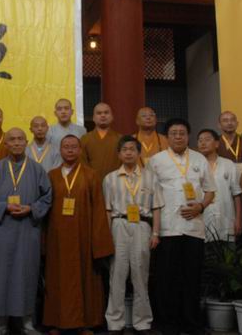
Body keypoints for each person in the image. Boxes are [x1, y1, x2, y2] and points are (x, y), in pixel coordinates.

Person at [144, 118, 215, 335]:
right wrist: (154, 228)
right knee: (167, 277)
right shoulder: (156, 161)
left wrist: (200, 206)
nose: (178, 136)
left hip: (194, 227)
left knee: (192, 277)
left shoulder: (199, 159)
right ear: (167, 136)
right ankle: (168, 323)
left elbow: (210, 190)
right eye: (173, 133)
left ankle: (192, 323)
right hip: (167, 227)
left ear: (188, 135)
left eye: (182, 133)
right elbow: (148, 194)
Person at [0, 128, 52, 335]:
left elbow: (47, 197)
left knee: (27, 273)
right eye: (12, 140)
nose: (16, 143)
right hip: (2, 229)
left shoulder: (37, 169)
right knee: (0, 274)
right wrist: (4, 207)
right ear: (6, 144)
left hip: (28, 229)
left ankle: (27, 322)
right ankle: (1, 323)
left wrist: (31, 208)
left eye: (20, 139)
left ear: (26, 142)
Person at [43, 135, 113, 331]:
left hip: (84, 236)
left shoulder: (91, 175)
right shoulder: (51, 175)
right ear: (60, 150)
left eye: (74, 146)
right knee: (57, 279)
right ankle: (55, 322)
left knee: (86, 279)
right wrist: (43, 241)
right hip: (57, 238)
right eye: (66, 146)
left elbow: (98, 208)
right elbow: (45, 208)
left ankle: (86, 323)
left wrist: (98, 243)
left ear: (80, 150)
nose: (70, 150)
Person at [104, 136, 162, 334]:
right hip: (118, 225)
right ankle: (115, 323)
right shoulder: (110, 178)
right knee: (117, 275)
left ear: (139, 153)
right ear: (119, 154)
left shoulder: (151, 177)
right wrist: (107, 236)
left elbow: (156, 207)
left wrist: (156, 232)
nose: (128, 152)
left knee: (140, 275)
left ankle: (143, 322)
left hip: (142, 226)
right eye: (124, 149)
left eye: (132, 149)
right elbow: (107, 210)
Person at [197, 129, 242, 243]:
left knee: (227, 253)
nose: (203, 143)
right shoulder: (194, 165)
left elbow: (236, 194)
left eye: (207, 139)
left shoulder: (228, 164)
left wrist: (238, 219)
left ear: (217, 144)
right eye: (200, 140)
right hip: (202, 220)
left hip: (226, 219)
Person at [80, 102, 121, 181]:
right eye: (99, 113)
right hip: (91, 181)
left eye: (106, 113)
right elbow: (82, 163)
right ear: (93, 118)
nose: (103, 115)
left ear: (112, 117)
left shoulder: (120, 139)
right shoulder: (85, 139)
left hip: (115, 181)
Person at [46, 98, 86, 164]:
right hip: (56, 167)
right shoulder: (49, 131)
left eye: (66, 108)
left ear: (72, 112)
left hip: (77, 167)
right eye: (59, 109)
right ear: (55, 113)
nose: (63, 112)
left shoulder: (81, 130)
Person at [217, 111, 242, 176]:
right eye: (225, 120)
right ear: (219, 125)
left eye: (232, 120)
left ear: (237, 124)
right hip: (221, 179)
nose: (229, 123)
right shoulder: (214, 143)